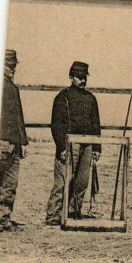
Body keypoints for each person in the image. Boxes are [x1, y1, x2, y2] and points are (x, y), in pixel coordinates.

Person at [45, 61, 101, 225]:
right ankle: (53, 215)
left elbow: (95, 124)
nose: (83, 80)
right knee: (62, 181)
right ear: (71, 77)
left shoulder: (91, 99)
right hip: (69, 145)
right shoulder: (63, 98)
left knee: (82, 181)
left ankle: (73, 211)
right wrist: (62, 147)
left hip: (88, 144)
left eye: (85, 77)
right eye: (79, 77)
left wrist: (97, 147)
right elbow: (57, 125)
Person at [0, 49, 28, 232]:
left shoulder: (12, 88)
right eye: (9, 66)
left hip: (14, 144)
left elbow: (18, 119)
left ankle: (3, 218)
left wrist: (23, 142)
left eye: (14, 66)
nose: (12, 69)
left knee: (10, 183)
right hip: (1, 143)